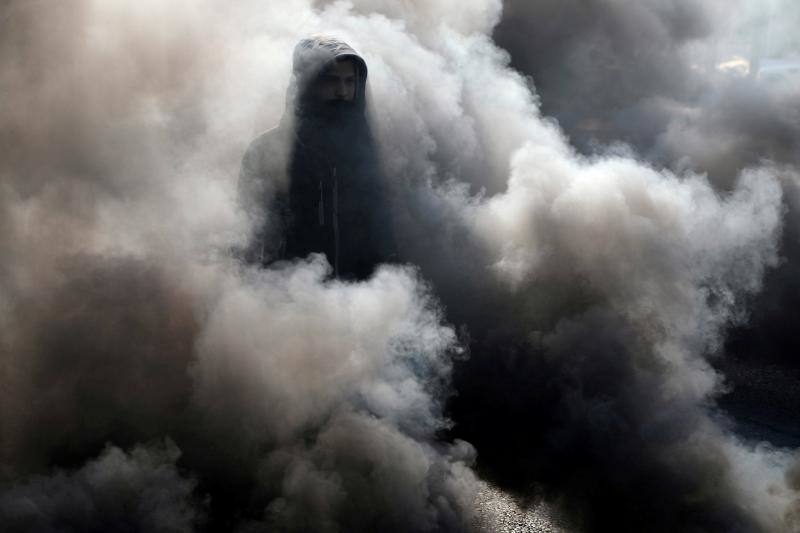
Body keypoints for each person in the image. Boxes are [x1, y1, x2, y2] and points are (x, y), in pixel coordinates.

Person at [238, 35, 394, 280]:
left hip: (362, 300)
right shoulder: (266, 151)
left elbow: (384, 236)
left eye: (350, 81)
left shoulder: (367, 152)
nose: (342, 91)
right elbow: (250, 235)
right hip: (288, 295)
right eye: (332, 81)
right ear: (307, 84)